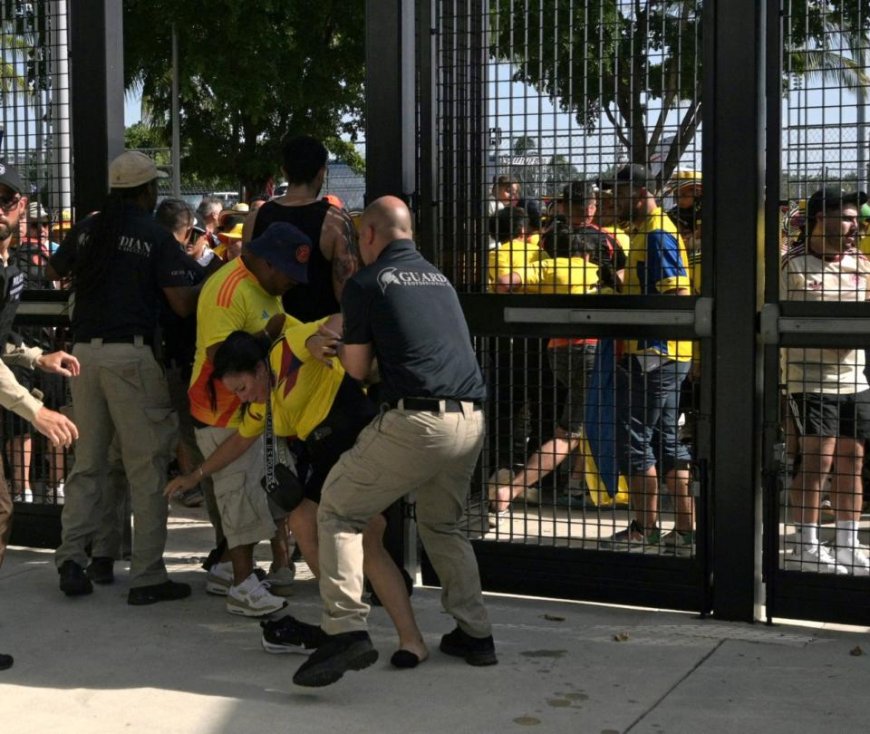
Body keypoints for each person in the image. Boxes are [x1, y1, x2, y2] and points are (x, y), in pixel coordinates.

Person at [292, 196, 495, 688]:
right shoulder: (440, 280)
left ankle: (345, 629)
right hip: (471, 420)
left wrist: (329, 348)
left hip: (417, 423)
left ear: (367, 235)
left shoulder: (366, 283)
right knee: (443, 526)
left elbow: (359, 370)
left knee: (338, 509)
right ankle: (476, 635)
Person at [165, 327, 426, 664]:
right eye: (236, 393)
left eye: (242, 388)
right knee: (303, 520)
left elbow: (331, 324)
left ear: (259, 369)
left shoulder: (281, 353)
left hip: (356, 441)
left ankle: (406, 640)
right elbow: (239, 441)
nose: (242, 398)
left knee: (367, 542)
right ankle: (344, 623)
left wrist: (322, 341)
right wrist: (195, 476)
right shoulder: (263, 404)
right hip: (327, 457)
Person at [47, 151, 198, 604]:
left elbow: (54, 270)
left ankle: (74, 557)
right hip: (131, 359)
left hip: (82, 358)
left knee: (90, 464)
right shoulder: (153, 234)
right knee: (145, 469)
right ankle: (148, 576)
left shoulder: (90, 227)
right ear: (149, 191)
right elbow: (181, 305)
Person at [186, 221, 311, 615]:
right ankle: (242, 584)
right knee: (238, 494)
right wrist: (267, 339)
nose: (290, 286)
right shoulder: (227, 289)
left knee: (261, 489)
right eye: (288, 278)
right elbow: (217, 357)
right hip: (222, 413)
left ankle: (230, 567)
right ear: (267, 263)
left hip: (253, 411)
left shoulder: (263, 286)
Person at [0, 162, 80, 666]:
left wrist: (34, 358)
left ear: (22, 207)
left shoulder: (9, 268)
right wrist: (35, 410)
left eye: (5, 200)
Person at [602, 164, 694, 553]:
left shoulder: (657, 233)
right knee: (666, 442)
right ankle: (688, 531)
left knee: (634, 438)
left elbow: (673, 296)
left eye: (618, 194)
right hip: (661, 353)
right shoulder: (643, 231)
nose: (613, 201)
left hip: (655, 353)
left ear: (639, 193)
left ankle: (646, 527)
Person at [781, 186, 870, 574]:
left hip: (855, 378)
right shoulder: (793, 265)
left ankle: (848, 542)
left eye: (857, 218)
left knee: (853, 458)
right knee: (818, 460)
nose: (856, 225)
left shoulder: (862, 264)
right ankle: (806, 543)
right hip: (809, 379)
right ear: (822, 218)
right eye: (848, 218)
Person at [243, 134, 359, 322]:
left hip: (266, 336)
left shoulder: (255, 218)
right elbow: (347, 295)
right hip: (318, 339)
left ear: (285, 172)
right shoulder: (336, 222)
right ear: (322, 173)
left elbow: (245, 278)